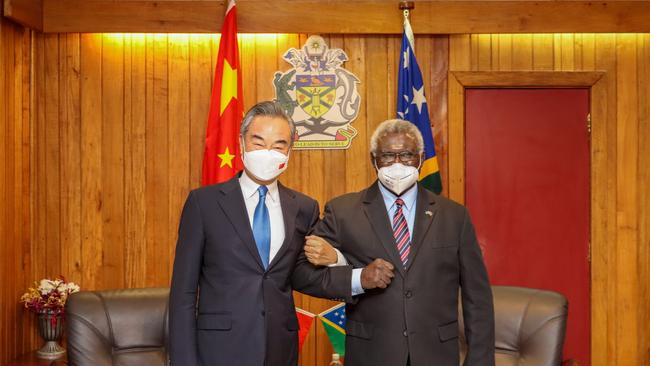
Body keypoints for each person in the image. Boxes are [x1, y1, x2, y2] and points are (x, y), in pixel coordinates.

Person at [168, 101, 391, 366]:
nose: (268, 152)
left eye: (278, 145)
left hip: (280, 348)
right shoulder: (204, 204)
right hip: (219, 349)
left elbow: (304, 275)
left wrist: (343, 265)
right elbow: (183, 292)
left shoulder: (303, 207)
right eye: (258, 142)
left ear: (289, 151)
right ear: (241, 143)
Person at [304, 119, 495, 366]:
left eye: (406, 155)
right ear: (374, 160)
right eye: (387, 156)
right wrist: (358, 279)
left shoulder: (454, 216)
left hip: (437, 356)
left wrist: (479, 361)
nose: (397, 164)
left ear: (421, 158)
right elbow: (304, 276)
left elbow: (477, 297)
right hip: (371, 355)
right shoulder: (343, 211)